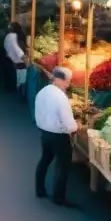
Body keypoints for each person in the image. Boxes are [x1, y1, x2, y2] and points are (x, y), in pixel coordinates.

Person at [34, 67, 79, 208]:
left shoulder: (43, 91)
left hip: (44, 133)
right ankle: (58, 197)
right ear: (58, 80)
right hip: (58, 136)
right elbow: (69, 125)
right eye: (67, 82)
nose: (68, 84)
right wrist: (77, 126)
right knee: (62, 165)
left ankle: (39, 189)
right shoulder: (61, 98)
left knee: (45, 159)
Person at [5, 21, 28, 93]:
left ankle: (13, 89)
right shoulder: (14, 36)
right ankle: (20, 92)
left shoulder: (8, 36)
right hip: (18, 61)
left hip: (10, 59)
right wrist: (24, 58)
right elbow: (16, 48)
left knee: (12, 77)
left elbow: (6, 46)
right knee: (21, 79)